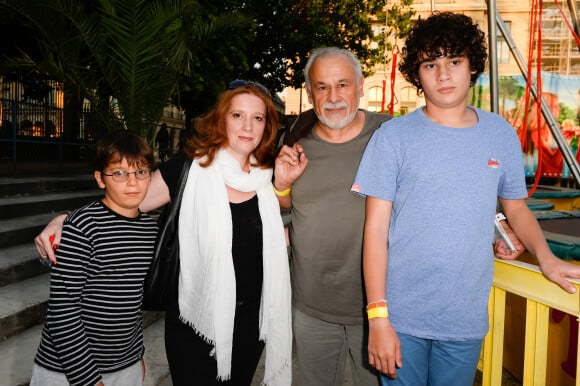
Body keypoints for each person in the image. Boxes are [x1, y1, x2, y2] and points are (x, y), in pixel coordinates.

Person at [351, 12, 580, 386]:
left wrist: (547, 258)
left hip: (464, 316)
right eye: (431, 64)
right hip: (401, 316)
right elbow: (374, 232)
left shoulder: (499, 133)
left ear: (472, 66)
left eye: (454, 61)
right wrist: (378, 317)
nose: (443, 75)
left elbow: (516, 208)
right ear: (417, 72)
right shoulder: (393, 137)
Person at [35, 81, 292, 385]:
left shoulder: (266, 177)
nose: (248, 125)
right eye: (237, 115)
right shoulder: (188, 168)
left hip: (251, 324)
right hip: (194, 322)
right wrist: (67, 219)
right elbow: (126, 201)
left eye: (258, 118)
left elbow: (280, 224)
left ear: (267, 125)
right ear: (221, 119)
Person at [274, 47, 391, 386]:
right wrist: (281, 187)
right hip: (310, 307)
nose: (334, 97)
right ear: (310, 93)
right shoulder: (295, 143)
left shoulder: (391, 135)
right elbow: (285, 209)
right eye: (322, 87)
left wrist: (496, 230)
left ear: (360, 84)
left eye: (342, 84)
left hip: (376, 309)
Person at [30, 130, 159, 386]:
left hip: (125, 365)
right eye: (119, 173)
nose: (132, 182)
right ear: (101, 179)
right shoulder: (82, 227)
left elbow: (131, 302)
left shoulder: (150, 229)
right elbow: (63, 311)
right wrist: (88, 379)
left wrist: (136, 357)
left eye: (141, 172)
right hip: (66, 370)